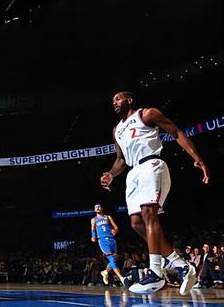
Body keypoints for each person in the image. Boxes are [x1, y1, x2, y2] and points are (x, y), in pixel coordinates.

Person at [100, 91, 210, 294]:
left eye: (118, 98)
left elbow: (176, 132)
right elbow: (121, 159)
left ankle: (156, 273)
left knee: (148, 214)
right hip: (133, 173)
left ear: (129, 100)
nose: (114, 102)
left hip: (151, 164)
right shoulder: (117, 129)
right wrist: (111, 174)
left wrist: (198, 159)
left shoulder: (147, 114)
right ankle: (182, 266)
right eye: (113, 100)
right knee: (136, 224)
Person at [90, 204, 127, 286]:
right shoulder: (94, 220)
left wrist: (115, 230)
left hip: (111, 239)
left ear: (102, 208)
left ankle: (105, 272)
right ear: (94, 210)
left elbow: (116, 227)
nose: (97, 208)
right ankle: (121, 278)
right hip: (102, 240)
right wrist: (93, 236)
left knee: (115, 258)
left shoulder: (108, 217)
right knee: (112, 259)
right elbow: (93, 229)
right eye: (96, 207)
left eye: (99, 206)